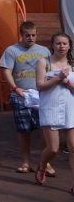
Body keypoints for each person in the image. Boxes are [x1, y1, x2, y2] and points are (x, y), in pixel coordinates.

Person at [0, 21, 55, 175]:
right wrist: (15, 88)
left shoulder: (44, 51)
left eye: (33, 35)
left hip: (41, 95)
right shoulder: (12, 50)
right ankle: (26, 162)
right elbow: (6, 71)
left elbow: (51, 70)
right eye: (27, 35)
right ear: (21, 35)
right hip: (21, 95)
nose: (31, 38)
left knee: (44, 130)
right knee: (24, 130)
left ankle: (46, 162)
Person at [34, 32, 74, 190]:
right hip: (50, 107)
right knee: (53, 148)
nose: (61, 46)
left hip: (70, 109)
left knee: (73, 147)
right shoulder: (44, 62)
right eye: (58, 43)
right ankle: (42, 165)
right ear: (52, 45)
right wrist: (57, 79)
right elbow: (39, 86)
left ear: (69, 45)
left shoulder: (72, 63)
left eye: (65, 43)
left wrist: (65, 81)